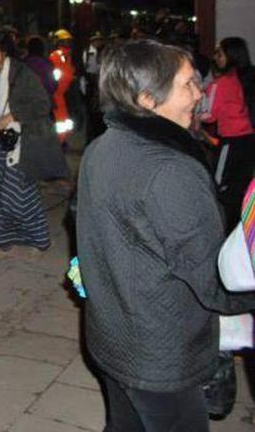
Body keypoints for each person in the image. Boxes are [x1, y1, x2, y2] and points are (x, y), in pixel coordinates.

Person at [77, 39, 255, 431]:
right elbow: (214, 281)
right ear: (147, 99)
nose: (200, 93)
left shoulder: (101, 147)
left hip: (111, 336)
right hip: (160, 356)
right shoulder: (171, 171)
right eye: (187, 84)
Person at [0, 31, 67, 251]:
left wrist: (12, 115)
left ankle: (39, 236)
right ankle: (2, 235)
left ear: (4, 50)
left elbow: (43, 104)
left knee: (17, 193)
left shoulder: (21, 73)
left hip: (21, 141)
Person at [200, 37, 255, 229]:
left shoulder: (221, 83)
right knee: (242, 187)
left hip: (231, 141)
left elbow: (208, 116)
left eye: (219, 53)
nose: (216, 57)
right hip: (249, 140)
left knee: (219, 185)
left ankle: (218, 229)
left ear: (230, 55)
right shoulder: (249, 77)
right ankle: (240, 227)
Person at [81, 31, 107, 142]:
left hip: (97, 89)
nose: (99, 42)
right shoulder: (90, 53)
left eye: (100, 40)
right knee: (93, 117)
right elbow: (92, 73)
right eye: (97, 40)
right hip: (92, 89)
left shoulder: (100, 51)